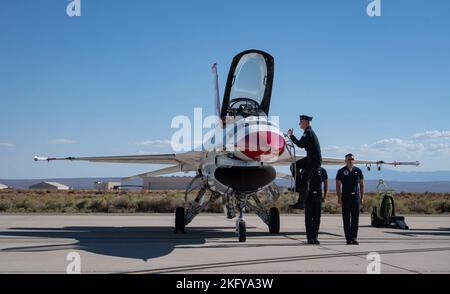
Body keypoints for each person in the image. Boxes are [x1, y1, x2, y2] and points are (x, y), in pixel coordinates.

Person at [287, 115, 322, 209]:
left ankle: (301, 200)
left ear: (306, 122)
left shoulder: (308, 132)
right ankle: (299, 190)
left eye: (301, 122)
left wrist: (291, 136)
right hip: (311, 159)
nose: (299, 123)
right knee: (296, 168)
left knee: (303, 177)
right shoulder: (308, 132)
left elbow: (300, 144)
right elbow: (302, 145)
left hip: (313, 160)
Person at [336, 153, 365, 245]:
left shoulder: (358, 171)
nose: (350, 161)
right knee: (346, 218)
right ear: (345, 161)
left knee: (355, 219)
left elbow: (362, 184)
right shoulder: (341, 171)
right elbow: (338, 185)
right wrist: (339, 198)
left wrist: (362, 197)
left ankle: (354, 237)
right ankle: (348, 238)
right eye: (348, 159)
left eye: (352, 159)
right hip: (346, 197)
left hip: (355, 197)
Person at [304, 167, 328, 245]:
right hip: (308, 197)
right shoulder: (306, 169)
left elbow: (325, 184)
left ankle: (315, 237)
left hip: (318, 196)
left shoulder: (322, 170)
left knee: (317, 218)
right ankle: (309, 238)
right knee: (308, 218)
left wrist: (324, 196)